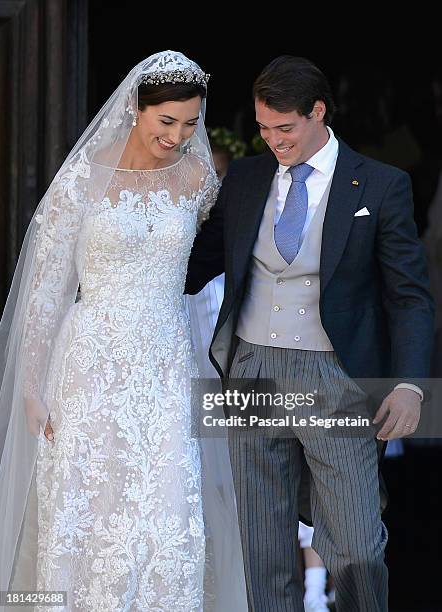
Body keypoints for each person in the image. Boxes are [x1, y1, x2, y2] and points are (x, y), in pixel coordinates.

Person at [0, 50, 247, 611]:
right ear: (136, 108)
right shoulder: (83, 177)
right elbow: (46, 288)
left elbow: (207, 269)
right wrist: (33, 388)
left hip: (166, 367)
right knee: (88, 509)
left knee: (166, 514)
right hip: (90, 364)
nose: (178, 135)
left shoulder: (198, 178)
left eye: (189, 123)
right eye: (167, 121)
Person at [186, 56, 434, 611]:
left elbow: (409, 296)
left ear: (318, 112)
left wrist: (412, 384)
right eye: (264, 129)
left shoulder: (381, 183)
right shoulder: (246, 178)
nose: (274, 140)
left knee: (357, 550)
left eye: (286, 128)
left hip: (335, 377)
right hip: (251, 371)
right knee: (265, 550)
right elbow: (195, 264)